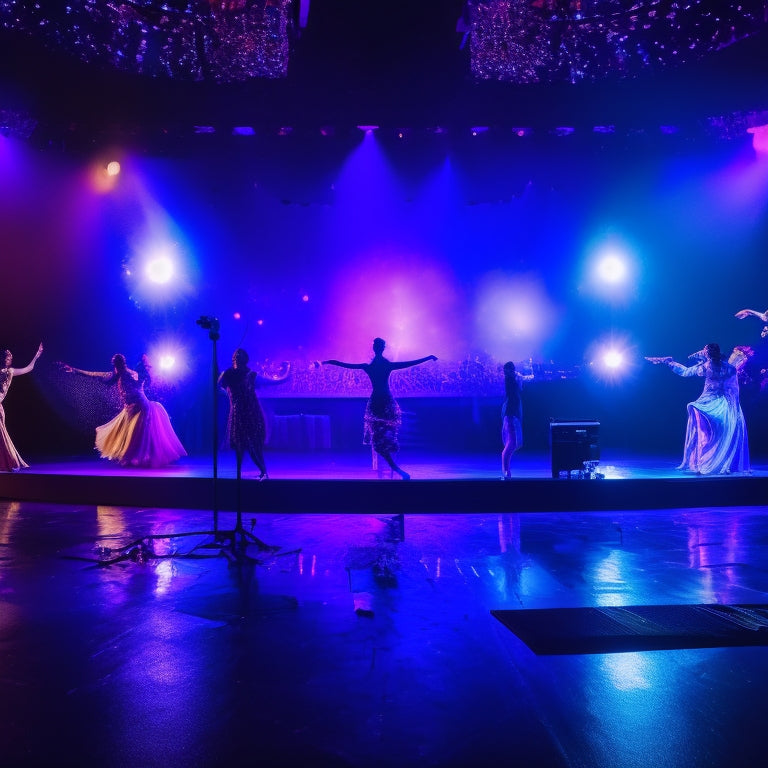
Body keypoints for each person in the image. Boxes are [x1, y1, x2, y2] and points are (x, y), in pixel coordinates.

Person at [323, 338, 437, 480]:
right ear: (383, 348)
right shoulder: (385, 365)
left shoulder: (369, 367)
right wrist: (428, 357)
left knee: (380, 437)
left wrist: (327, 362)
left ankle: (394, 466)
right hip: (385, 401)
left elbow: (344, 364)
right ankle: (395, 467)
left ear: (374, 349)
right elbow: (409, 363)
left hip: (378, 401)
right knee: (383, 436)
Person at [61, 353, 186, 467]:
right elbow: (95, 374)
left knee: (138, 434)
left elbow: (141, 381)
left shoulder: (130, 374)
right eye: (115, 366)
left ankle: (142, 458)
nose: (116, 368)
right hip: (129, 409)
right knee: (132, 435)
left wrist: (145, 368)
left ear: (122, 364)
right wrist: (74, 370)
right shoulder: (117, 374)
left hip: (140, 406)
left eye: (118, 365)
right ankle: (139, 458)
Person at [645, 343, 749, 475]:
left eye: (708, 352)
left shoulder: (726, 368)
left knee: (722, 430)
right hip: (708, 400)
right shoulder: (706, 367)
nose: (708, 354)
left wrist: (733, 405)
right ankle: (697, 459)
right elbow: (686, 372)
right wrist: (670, 363)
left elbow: (733, 388)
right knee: (698, 417)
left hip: (722, 402)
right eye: (707, 352)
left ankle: (721, 461)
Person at [218, 348, 291, 480]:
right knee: (239, 444)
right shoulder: (227, 374)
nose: (237, 358)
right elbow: (219, 387)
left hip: (251, 413)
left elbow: (275, 381)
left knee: (253, 444)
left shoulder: (251, 375)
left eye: (239, 357)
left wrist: (287, 371)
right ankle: (242, 472)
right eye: (236, 357)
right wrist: (230, 395)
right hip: (238, 412)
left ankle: (263, 471)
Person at [0, 343, 43, 472]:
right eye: (6, 358)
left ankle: (8, 462)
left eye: (9, 358)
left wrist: (36, 356)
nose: (8, 360)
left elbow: (27, 369)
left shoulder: (10, 372)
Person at [501, 360, 534, 479]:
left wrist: (527, 370)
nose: (505, 373)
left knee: (512, 443)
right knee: (512, 444)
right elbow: (522, 381)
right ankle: (506, 471)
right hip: (511, 415)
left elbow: (526, 379)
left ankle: (507, 471)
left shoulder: (513, 379)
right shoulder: (510, 380)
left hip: (512, 414)